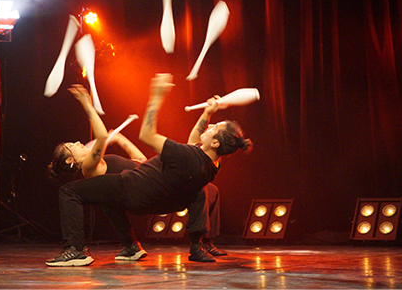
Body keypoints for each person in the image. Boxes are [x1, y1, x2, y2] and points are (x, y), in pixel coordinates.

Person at [46, 73, 251, 267]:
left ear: (215, 143)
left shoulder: (187, 155)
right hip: (155, 198)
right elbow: (191, 144)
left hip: (135, 187)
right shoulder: (211, 166)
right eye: (71, 145)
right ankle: (145, 246)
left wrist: (156, 96)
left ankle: (75, 249)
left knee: (69, 191)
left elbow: (146, 135)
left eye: (214, 128)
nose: (210, 126)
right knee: (200, 190)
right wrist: (207, 112)